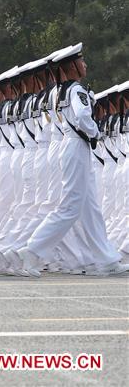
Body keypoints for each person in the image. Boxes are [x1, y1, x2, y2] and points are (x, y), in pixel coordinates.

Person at [12, 44, 129, 277]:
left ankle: (105, 259)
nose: (85, 65)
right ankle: (33, 250)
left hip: (71, 145)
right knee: (70, 206)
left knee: (90, 208)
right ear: (72, 66)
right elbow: (84, 117)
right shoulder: (75, 90)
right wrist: (95, 132)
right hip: (76, 145)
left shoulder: (58, 91)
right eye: (81, 62)